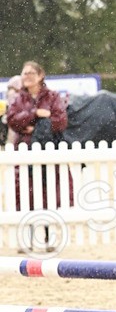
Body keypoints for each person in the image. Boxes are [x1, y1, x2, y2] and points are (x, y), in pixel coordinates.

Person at [6, 60, 68, 218]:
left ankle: (49, 231)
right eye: (24, 73)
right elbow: (13, 120)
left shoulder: (53, 97)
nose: (27, 76)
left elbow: (60, 121)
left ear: (40, 76)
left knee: (51, 192)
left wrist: (37, 128)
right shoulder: (18, 99)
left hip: (49, 150)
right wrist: (34, 113)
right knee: (25, 193)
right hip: (24, 151)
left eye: (31, 73)